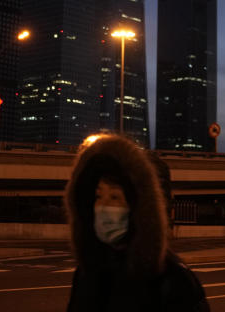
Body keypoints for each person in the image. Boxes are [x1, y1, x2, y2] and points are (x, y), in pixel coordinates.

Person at [65, 133, 210, 311]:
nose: (103, 206)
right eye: (97, 196)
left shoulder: (173, 280)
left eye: (115, 197)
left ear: (138, 206)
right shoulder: (87, 274)